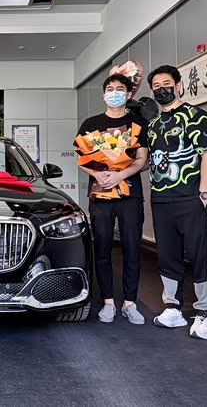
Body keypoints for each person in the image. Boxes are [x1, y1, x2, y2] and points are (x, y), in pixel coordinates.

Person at [146, 65, 207, 340]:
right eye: (156, 85)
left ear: (178, 86)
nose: (161, 89)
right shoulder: (153, 124)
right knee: (167, 255)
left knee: (200, 255)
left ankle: (204, 313)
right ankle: (173, 307)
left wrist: (203, 194)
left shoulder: (196, 116)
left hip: (190, 198)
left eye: (166, 83)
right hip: (160, 199)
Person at [75, 73, 149, 324]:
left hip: (131, 194)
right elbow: (82, 158)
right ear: (103, 94)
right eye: (109, 89)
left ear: (129, 94)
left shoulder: (138, 123)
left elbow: (142, 159)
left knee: (131, 248)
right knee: (102, 248)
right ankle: (108, 302)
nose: (114, 93)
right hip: (101, 193)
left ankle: (130, 302)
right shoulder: (91, 123)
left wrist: (120, 175)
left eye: (119, 89)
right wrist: (97, 173)